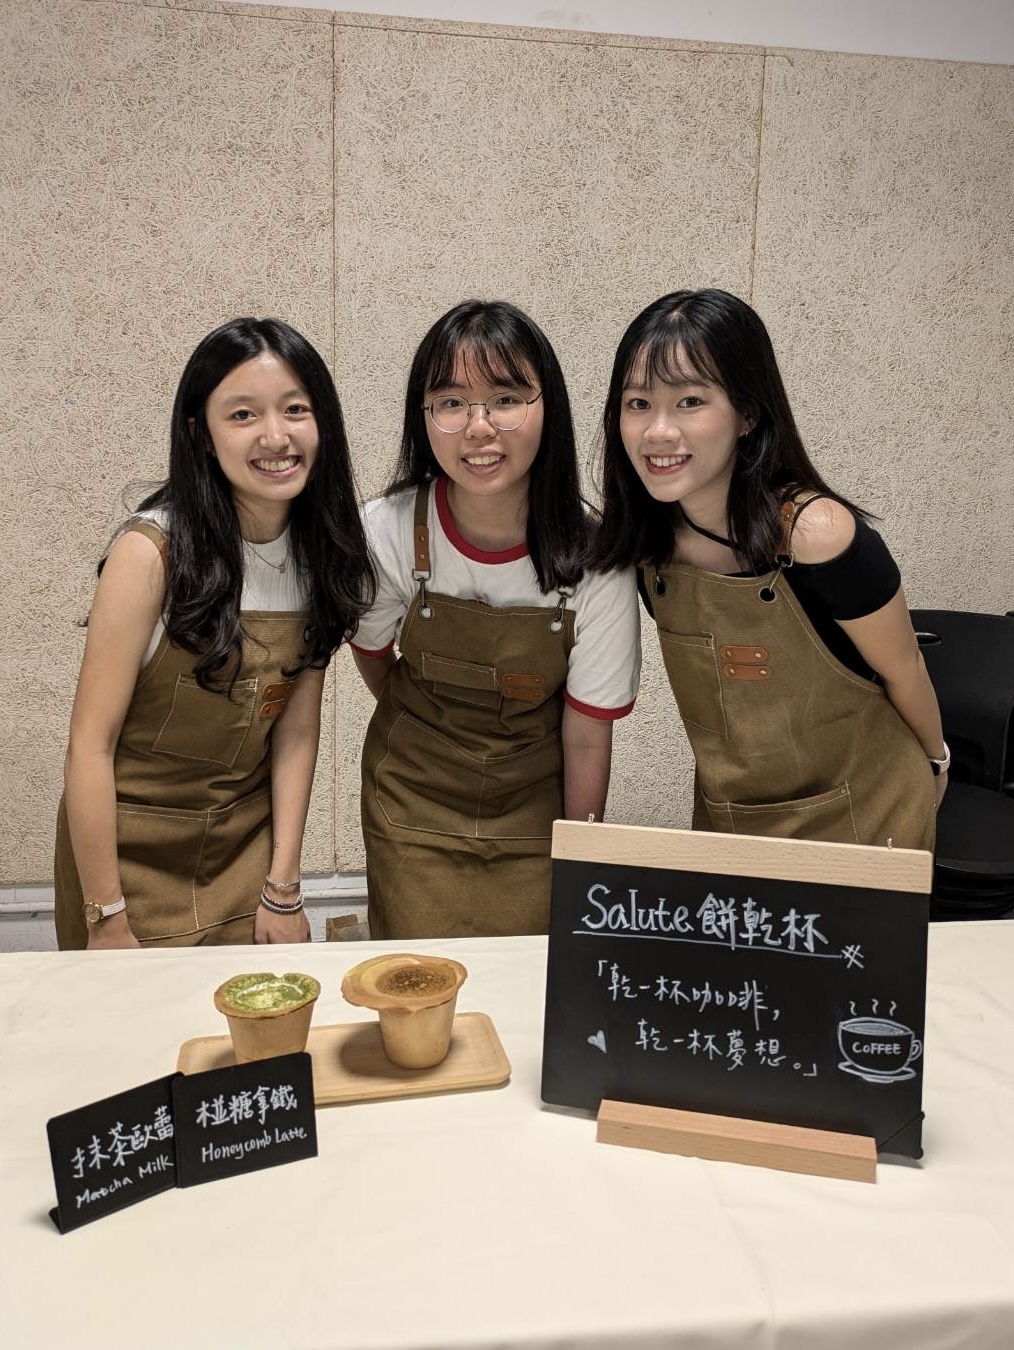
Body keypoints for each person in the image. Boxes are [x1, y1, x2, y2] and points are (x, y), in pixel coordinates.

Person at [55, 317, 375, 949]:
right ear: (200, 434)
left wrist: (283, 887)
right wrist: (105, 915)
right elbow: (90, 746)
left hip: (242, 851)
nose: (276, 436)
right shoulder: (151, 554)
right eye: (243, 415)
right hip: (124, 857)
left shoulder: (321, 555)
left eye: (295, 409)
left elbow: (295, 733)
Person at [593, 288, 946, 850]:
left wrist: (937, 762)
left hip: (868, 811)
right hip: (733, 819)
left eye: (690, 401)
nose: (658, 431)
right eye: (638, 403)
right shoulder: (645, 546)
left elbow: (905, 668)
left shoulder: (816, 534)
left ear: (748, 413)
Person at [351, 300, 640, 938]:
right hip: (411, 801)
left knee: (528, 981)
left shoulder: (598, 559)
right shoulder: (387, 530)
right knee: (414, 978)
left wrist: (581, 859)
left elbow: (587, 734)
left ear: (548, 407)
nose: (478, 428)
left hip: (537, 808)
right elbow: (373, 656)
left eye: (506, 399)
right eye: (451, 402)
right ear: (424, 416)